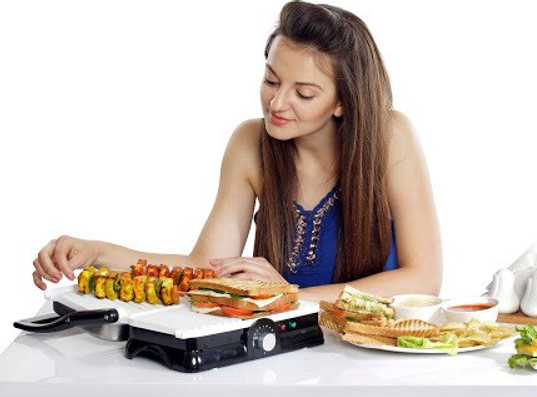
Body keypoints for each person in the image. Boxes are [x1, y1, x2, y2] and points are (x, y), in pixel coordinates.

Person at [31, 1, 442, 303]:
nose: (277, 104)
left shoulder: (390, 136)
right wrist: (96, 253)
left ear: (343, 102)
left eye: (303, 93)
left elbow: (423, 279)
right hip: (285, 349)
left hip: (374, 353)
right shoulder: (250, 142)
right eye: (271, 80)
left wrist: (289, 296)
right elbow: (206, 266)